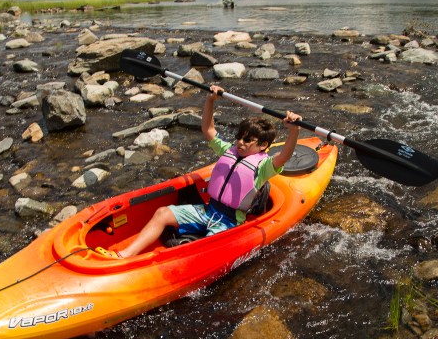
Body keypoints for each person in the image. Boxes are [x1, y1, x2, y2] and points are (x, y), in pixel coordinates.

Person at [96, 85, 302, 259]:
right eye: (239, 137)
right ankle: (123, 256)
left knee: (205, 248)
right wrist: (210, 100)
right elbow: (208, 129)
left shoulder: (264, 167)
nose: (240, 142)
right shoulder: (228, 150)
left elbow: (284, 155)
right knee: (162, 213)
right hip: (208, 210)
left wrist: (294, 130)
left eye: (248, 140)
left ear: (263, 145)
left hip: (230, 221)